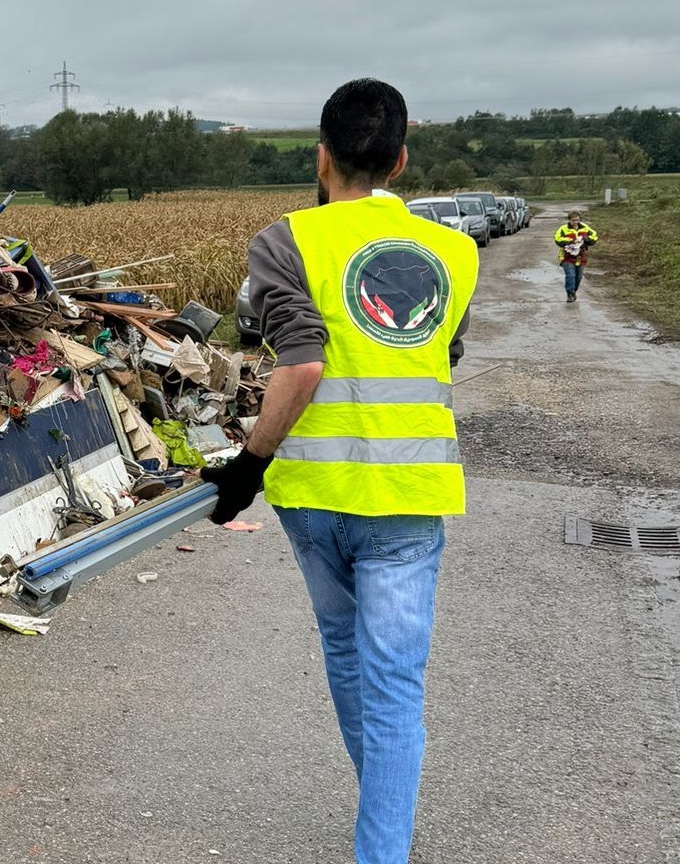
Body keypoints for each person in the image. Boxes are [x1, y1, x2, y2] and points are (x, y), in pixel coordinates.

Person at [202, 79, 477, 864]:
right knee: (394, 686)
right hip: (409, 497)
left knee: (349, 657)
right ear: (400, 159)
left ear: (322, 157)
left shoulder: (287, 239)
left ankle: (382, 822)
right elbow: (440, 353)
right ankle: (383, 838)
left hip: (314, 498)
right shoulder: (454, 253)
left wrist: (247, 468)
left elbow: (300, 366)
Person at [554, 210, 598, 302]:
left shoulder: (585, 228)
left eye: (577, 220)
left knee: (578, 277)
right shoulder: (563, 229)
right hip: (567, 256)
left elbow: (594, 236)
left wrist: (587, 239)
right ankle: (569, 294)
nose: (575, 222)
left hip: (581, 256)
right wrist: (570, 241)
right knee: (570, 275)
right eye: (573, 220)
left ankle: (573, 291)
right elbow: (557, 238)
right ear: (569, 220)